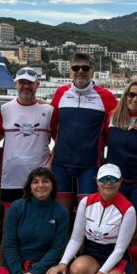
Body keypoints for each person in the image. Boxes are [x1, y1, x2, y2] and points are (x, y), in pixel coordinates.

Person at [44, 164, 136, 274]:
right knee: (76, 269)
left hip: (116, 258)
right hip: (92, 254)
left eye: (113, 179)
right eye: (104, 178)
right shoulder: (86, 202)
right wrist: (63, 263)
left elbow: (120, 250)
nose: (108, 182)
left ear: (120, 182)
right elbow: (75, 239)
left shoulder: (128, 209)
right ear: (97, 182)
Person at [50, 53, 117, 212]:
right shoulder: (61, 93)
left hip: (90, 166)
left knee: (87, 215)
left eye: (85, 68)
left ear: (92, 72)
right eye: (76, 68)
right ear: (70, 71)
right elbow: (53, 126)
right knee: (62, 215)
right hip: (61, 164)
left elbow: (112, 132)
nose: (80, 71)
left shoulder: (106, 97)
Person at [0, 67, 54, 206]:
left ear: (37, 85)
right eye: (22, 82)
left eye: (30, 83)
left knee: (38, 221)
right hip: (11, 179)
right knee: (10, 222)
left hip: (39, 181)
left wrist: (49, 166)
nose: (26, 86)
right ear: (16, 84)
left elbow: (61, 142)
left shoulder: (49, 110)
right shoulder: (5, 109)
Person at [105, 80, 137, 245]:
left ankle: (132, 270)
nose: (135, 99)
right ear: (125, 96)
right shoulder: (111, 117)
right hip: (113, 182)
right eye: (131, 94)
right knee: (112, 224)